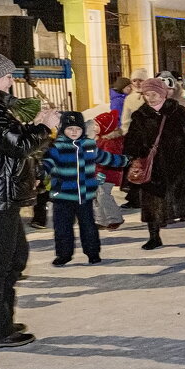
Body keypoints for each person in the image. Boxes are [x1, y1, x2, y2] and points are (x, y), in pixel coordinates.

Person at [0, 50, 58, 348]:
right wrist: (45, 127)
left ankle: (0, 321)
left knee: (14, 258)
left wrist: (34, 125)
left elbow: (9, 139)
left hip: (2, 196)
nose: (11, 81)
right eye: (6, 76)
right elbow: (16, 145)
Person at [124, 78, 185, 249]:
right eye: (146, 94)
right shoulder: (140, 115)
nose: (150, 98)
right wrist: (134, 154)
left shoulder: (176, 111)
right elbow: (132, 139)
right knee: (152, 201)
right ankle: (154, 236)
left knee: (184, 197)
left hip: (178, 162)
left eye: (153, 94)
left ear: (162, 93)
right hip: (152, 165)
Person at [42, 111, 129, 266]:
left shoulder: (89, 145)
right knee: (62, 228)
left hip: (85, 195)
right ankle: (64, 254)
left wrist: (126, 160)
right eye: (70, 129)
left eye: (77, 128)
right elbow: (47, 164)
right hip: (62, 196)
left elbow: (106, 157)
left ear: (83, 129)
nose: (74, 132)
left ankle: (92, 253)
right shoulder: (57, 147)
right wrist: (38, 174)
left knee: (88, 227)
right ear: (63, 130)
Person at [92, 111, 126, 229]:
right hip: (97, 173)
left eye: (97, 125)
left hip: (107, 174)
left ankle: (115, 218)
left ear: (105, 127)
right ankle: (101, 220)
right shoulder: (101, 139)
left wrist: (100, 172)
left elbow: (109, 159)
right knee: (96, 195)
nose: (94, 128)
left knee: (103, 195)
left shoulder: (110, 142)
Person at [120, 67, 150, 134]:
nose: (137, 83)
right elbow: (126, 120)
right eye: (134, 81)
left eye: (140, 80)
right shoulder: (129, 99)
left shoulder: (152, 95)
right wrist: (126, 134)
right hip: (136, 134)